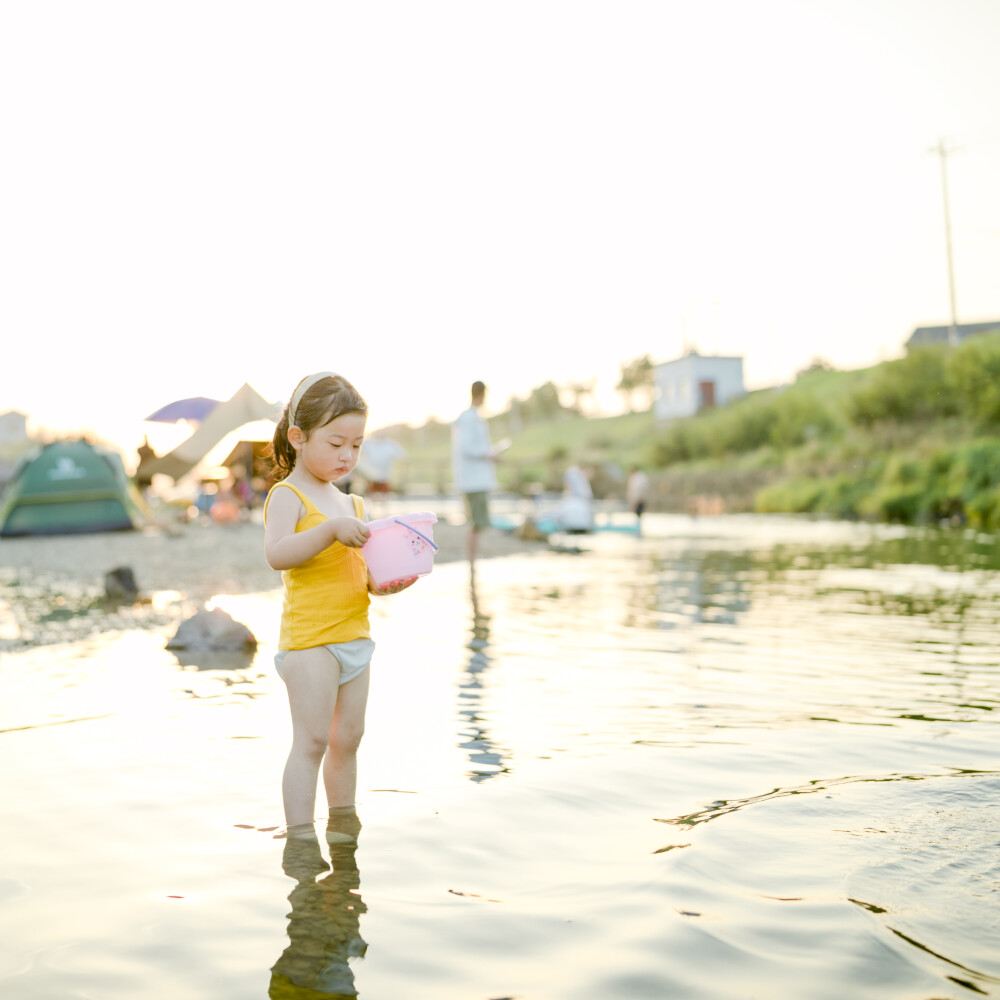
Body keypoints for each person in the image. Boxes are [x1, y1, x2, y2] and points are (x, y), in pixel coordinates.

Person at [264, 371, 417, 838]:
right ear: (298, 436)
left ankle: (344, 825)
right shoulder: (287, 495)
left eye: (356, 444)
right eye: (335, 443)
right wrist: (328, 531)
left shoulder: (351, 504)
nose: (347, 455)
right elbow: (277, 555)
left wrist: (382, 583)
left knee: (347, 740)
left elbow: (359, 572)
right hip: (311, 641)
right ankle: (301, 838)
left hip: (354, 635)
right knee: (311, 742)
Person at [452, 380, 498, 562]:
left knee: (477, 523)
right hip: (473, 481)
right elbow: (467, 448)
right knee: (476, 523)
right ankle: (472, 560)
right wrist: (489, 455)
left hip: (475, 480)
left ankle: (473, 560)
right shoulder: (469, 418)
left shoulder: (472, 417)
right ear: (483, 394)